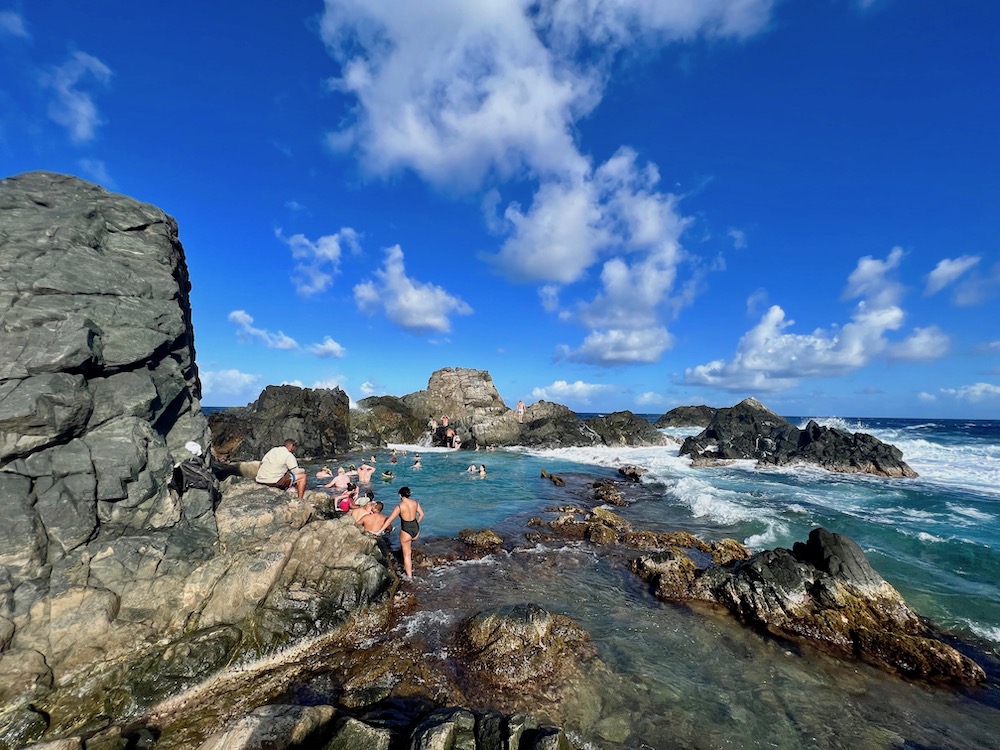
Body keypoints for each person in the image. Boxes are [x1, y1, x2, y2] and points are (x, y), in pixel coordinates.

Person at [378, 486, 424, 580]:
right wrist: (416, 523)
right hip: (416, 530)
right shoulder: (415, 502)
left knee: (406, 555)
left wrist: (380, 530)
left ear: (400, 495)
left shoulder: (400, 506)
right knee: (409, 547)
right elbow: (422, 514)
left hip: (406, 530)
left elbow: (390, 520)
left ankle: (409, 577)